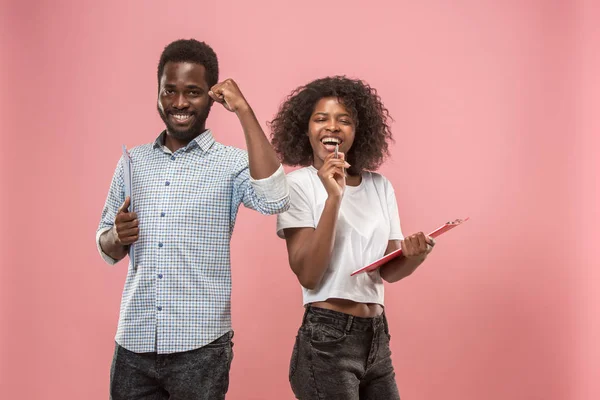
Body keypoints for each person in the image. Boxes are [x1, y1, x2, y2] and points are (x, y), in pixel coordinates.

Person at [96, 39, 289, 400]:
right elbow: (106, 247)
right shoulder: (132, 162)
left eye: (193, 92)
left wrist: (244, 110)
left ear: (211, 97)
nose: (180, 103)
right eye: (169, 91)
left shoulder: (231, 163)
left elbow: (275, 199)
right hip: (133, 347)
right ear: (157, 92)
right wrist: (116, 237)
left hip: (200, 349)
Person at [271, 76, 435, 399]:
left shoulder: (380, 186)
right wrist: (333, 198)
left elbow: (387, 269)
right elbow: (309, 274)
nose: (332, 127)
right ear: (305, 129)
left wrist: (414, 256)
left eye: (343, 120)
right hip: (326, 340)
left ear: (358, 132)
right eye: (321, 119)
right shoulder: (298, 185)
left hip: (376, 338)